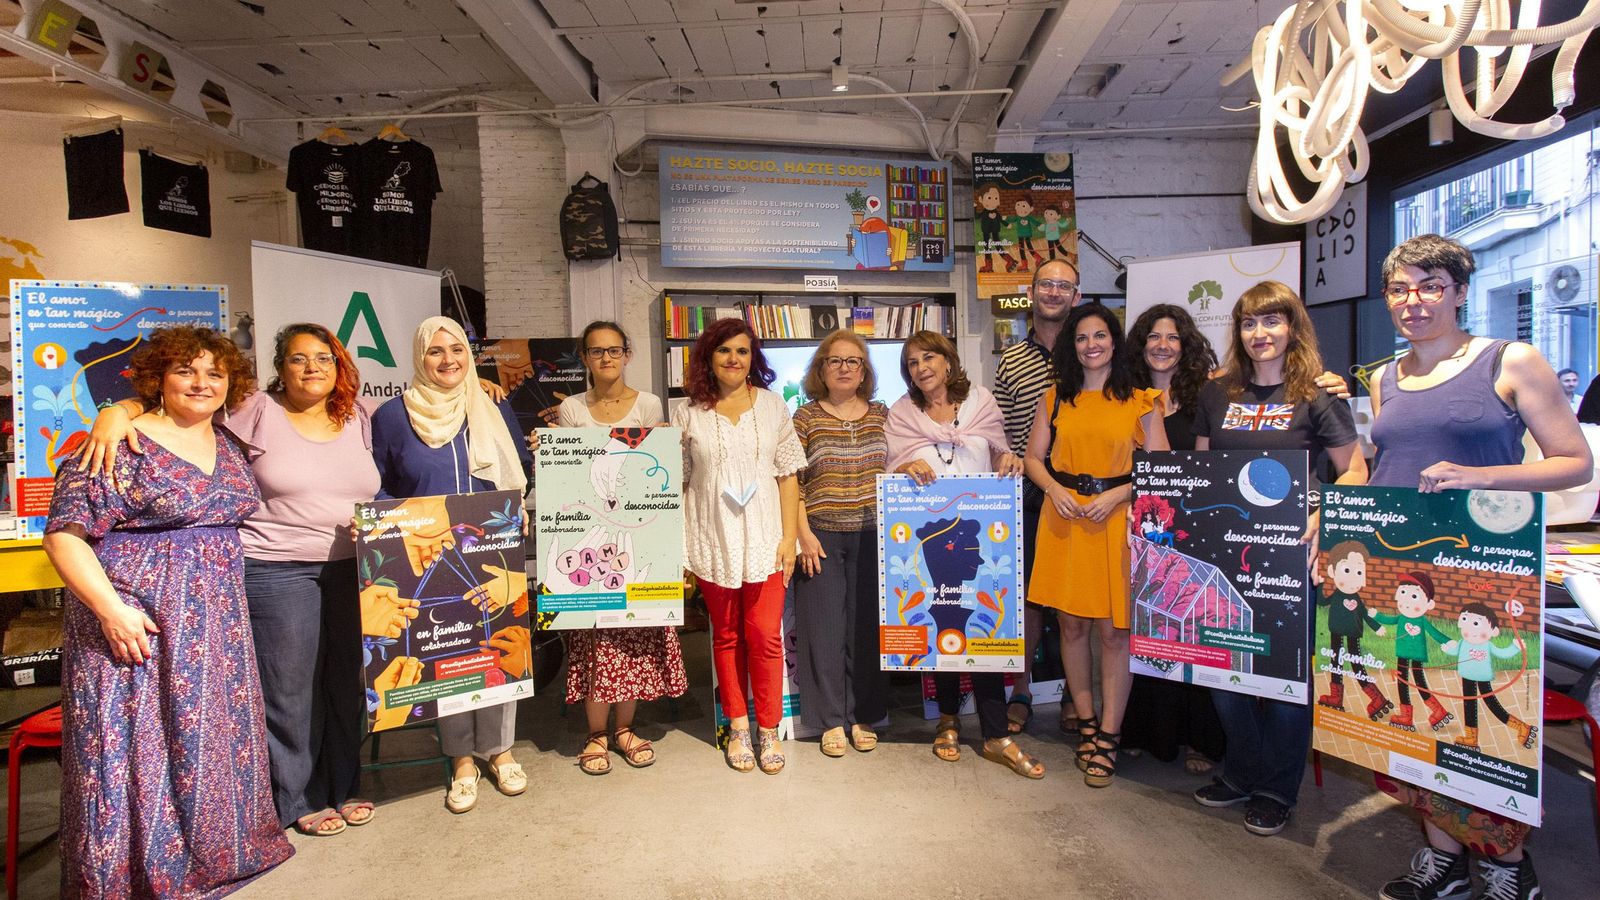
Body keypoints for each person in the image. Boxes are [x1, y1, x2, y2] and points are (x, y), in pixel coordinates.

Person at [79, 324, 382, 837]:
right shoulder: (258, 410)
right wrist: (116, 411)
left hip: (353, 568)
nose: (313, 368)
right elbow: (182, 408)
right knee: (290, 689)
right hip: (277, 567)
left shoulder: (356, 415)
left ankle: (343, 784)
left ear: (339, 367)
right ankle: (298, 796)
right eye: (298, 359)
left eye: (324, 359)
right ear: (279, 368)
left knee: (345, 682)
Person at [1367, 234, 1589, 900]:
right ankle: (1444, 859)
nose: (1415, 301)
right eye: (1401, 288)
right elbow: (1379, 467)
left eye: (1431, 285)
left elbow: (1573, 461)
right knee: (1413, 713)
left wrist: (1478, 476)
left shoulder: (1510, 360)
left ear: (1460, 291)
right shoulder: (1384, 377)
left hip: (1480, 575)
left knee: (1481, 724)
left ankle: (1504, 866)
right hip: (1393, 573)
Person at [43, 325, 293, 896]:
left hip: (216, 625)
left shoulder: (228, 443)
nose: (201, 383)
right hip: (138, 623)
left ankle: (215, 854)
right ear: (158, 379)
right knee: (138, 748)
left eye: (215, 373)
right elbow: (64, 536)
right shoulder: (117, 441)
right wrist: (110, 610)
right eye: (186, 370)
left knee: (207, 741)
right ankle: (136, 874)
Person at [1188, 281, 1366, 836]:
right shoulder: (1216, 393)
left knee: (1288, 681)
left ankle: (1274, 789)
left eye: (1272, 321)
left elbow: (1356, 469)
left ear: (1293, 327)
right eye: (1248, 323)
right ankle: (1241, 772)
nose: (1260, 333)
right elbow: (1200, 472)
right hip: (1227, 554)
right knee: (1224, 672)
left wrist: (1325, 514)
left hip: (1295, 558)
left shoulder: (1317, 393)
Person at [370, 316, 532, 814]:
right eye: (436, 351)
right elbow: (378, 485)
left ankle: (501, 749)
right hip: (426, 553)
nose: (448, 361)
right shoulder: (392, 416)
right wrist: (401, 528)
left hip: (492, 544)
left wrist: (517, 517)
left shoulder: (489, 404)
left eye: (457, 350)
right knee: (448, 651)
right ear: (420, 357)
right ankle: (462, 757)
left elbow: (517, 467)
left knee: (498, 646)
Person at [1024, 302, 1169, 788]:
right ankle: (1085, 723)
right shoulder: (1055, 398)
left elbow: (1162, 470)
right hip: (1064, 518)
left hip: (1116, 521)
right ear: (1073, 345)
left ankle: (1109, 734)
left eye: (1100, 335)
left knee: (1113, 632)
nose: (1091, 345)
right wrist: (1055, 490)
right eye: (1082, 337)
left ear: (1114, 341)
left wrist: (1116, 494)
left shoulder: (1142, 400)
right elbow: (1033, 459)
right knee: (1070, 627)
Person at [886, 330, 1041, 778]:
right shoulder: (901, 413)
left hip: (979, 543)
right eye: (912, 363)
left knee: (984, 628)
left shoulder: (981, 402)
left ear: (948, 361)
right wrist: (903, 467)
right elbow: (889, 467)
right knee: (942, 624)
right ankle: (948, 721)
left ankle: (995, 735)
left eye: (928, 357)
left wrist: (1008, 461)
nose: (921, 368)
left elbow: (999, 454)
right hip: (929, 544)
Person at [552, 321, 687, 775]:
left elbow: (656, 471)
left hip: (641, 539)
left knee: (634, 637)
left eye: (614, 350)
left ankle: (626, 729)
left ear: (627, 354)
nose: (606, 359)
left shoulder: (648, 404)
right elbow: (572, 472)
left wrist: (665, 444)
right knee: (593, 636)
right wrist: (548, 450)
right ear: (584, 358)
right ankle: (595, 735)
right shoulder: (572, 408)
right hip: (587, 538)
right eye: (596, 351)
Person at [672, 317, 805, 774]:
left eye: (743, 351)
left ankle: (769, 731)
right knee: (726, 637)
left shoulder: (772, 407)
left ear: (754, 358)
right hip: (712, 541)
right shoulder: (687, 413)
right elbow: (680, 482)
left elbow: (788, 476)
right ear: (709, 356)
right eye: (725, 350)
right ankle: (738, 729)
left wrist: (790, 540)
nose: (734, 358)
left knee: (765, 637)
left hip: (767, 540)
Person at [1120, 304, 1228, 774]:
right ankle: (1148, 730)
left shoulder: (1207, 392)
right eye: (1153, 336)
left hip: (1196, 523)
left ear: (1186, 345)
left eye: (1173, 337)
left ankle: (1203, 737)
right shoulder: (1123, 394)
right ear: (1140, 344)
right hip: (1141, 523)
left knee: (1196, 627)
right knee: (1149, 623)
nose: (1162, 345)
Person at [993, 258, 1084, 736]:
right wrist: (1006, 459)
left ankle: (1075, 689)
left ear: (1077, 293)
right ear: (1031, 292)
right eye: (1046, 284)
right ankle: (1022, 689)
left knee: (1074, 599)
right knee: (1028, 597)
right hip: (1029, 496)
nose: (1054, 292)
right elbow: (1001, 431)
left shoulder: (1091, 349)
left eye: (1063, 285)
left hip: (1086, 495)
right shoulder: (1012, 360)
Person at [792, 329, 890, 757]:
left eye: (854, 361)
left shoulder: (884, 414)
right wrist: (803, 535)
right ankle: (830, 720)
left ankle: (864, 714)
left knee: (867, 630)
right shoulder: (805, 418)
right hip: (821, 536)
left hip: (876, 536)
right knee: (824, 632)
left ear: (864, 370)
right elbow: (791, 483)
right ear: (821, 369)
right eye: (835, 360)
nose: (845, 368)